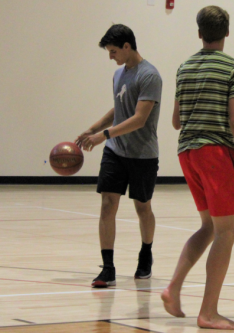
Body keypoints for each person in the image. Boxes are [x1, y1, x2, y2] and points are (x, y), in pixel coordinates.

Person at [160, 5, 234, 330]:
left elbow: (176, 121)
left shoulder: (184, 67)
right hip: (214, 153)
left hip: (186, 153)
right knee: (227, 231)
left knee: (208, 227)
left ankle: (173, 288)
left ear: (199, 33)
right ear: (227, 33)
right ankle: (208, 312)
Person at [76, 24, 163, 288]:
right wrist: (93, 128)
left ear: (127, 47)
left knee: (142, 208)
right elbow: (118, 109)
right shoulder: (118, 74)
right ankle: (108, 268)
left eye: (113, 51)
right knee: (107, 205)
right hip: (115, 152)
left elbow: (138, 119)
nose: (110, 56)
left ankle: (146, 255)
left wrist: (103, 135)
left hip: (142, 155)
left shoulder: (150, 76)